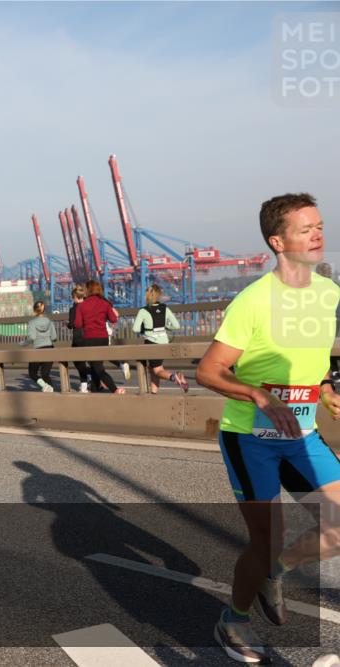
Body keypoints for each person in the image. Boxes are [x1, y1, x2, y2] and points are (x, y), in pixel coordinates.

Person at [197, 193, 340, 664]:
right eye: (305, 229)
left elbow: (312, 355)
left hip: (302, 435)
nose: (317, 235)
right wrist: (258, 394)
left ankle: (275, 571)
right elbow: (209, 371)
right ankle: (233, 618)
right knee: (266, 539)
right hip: (251, 438)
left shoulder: (328, 292)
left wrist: (324, 388)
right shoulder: (253, 301)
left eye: (320, 226)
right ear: (278, 242)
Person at [133, 284, 188, 394]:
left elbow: (135, 329)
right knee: (153, 368)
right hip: (164, 342)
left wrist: (145, 329)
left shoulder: (143, 311)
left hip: (151, 343)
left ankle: (175, 377)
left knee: (157, 370)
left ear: (147, 296)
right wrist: (165, 326)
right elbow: (176, 325)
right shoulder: (165, 308)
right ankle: (154, 393)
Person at [74, 281, 125, 394]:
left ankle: (114, 389)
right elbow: (113, 319)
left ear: (87, 290)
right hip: (103, 338)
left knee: (97, 367)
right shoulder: (105, 303)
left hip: (89, 338)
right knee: (95, 365)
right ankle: (95, 389)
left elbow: (77, 324)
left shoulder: (82, 305)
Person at [21, 300, 57, 392]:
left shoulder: (32, 322)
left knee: (32, 372)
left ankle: (45, 386)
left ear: (34, 310)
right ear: (44, 310)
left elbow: (32, 337)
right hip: (49, 348)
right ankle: (50, 389)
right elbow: (54, 338)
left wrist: (23, 343)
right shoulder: (49, 321)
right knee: (45, 374)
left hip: (38, 349)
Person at [67, 286, 93, 393]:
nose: (72, 299)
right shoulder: (89, 306)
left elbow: (72, 324)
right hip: (89, 335)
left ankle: (84, 384)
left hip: (78, 337)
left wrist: (67, 324)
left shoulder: (74, 309)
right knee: (88, 359)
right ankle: (91, 376)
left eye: (73, 297)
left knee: (77, 360)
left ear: (75, 297)